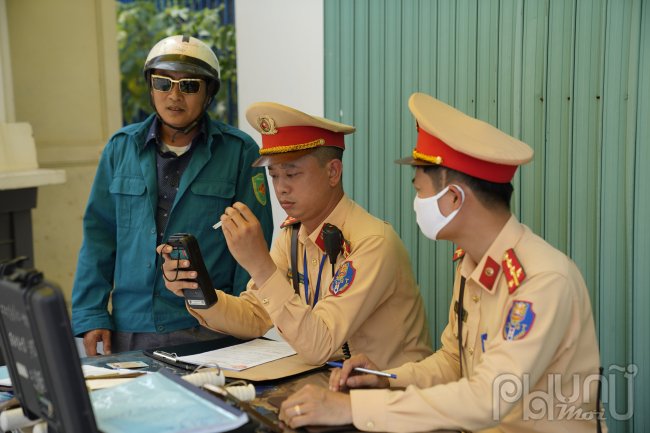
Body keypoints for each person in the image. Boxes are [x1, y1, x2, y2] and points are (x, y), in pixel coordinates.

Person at [278, 93, 605, 433]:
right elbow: (453, 362)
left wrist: (357, 407)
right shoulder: (472, 265)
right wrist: (385, 379)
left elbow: (488, 398)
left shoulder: (542, 280)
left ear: (453, 198)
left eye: (420, 189)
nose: (416, 202)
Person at [158, 102, 433, 369]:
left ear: (333, 172)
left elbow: (319, 346)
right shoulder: (294, 235)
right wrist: (196, 289)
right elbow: (255, 315)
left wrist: (258, 264)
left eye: (291, 173)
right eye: (274, 175)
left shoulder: (371, 243)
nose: (281, 189)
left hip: (390, 398)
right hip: (333, 390)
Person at [72, 35, 273, 356]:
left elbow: (253, 242)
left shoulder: (238, 151)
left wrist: (245, 325)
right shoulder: (120, 148)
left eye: (190, 86)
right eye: (163, 83)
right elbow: (99, 236)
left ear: (209, 94)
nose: (174, 95)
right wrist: (91, 313)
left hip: (210, 326)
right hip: (131, 326)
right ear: (151, 88)